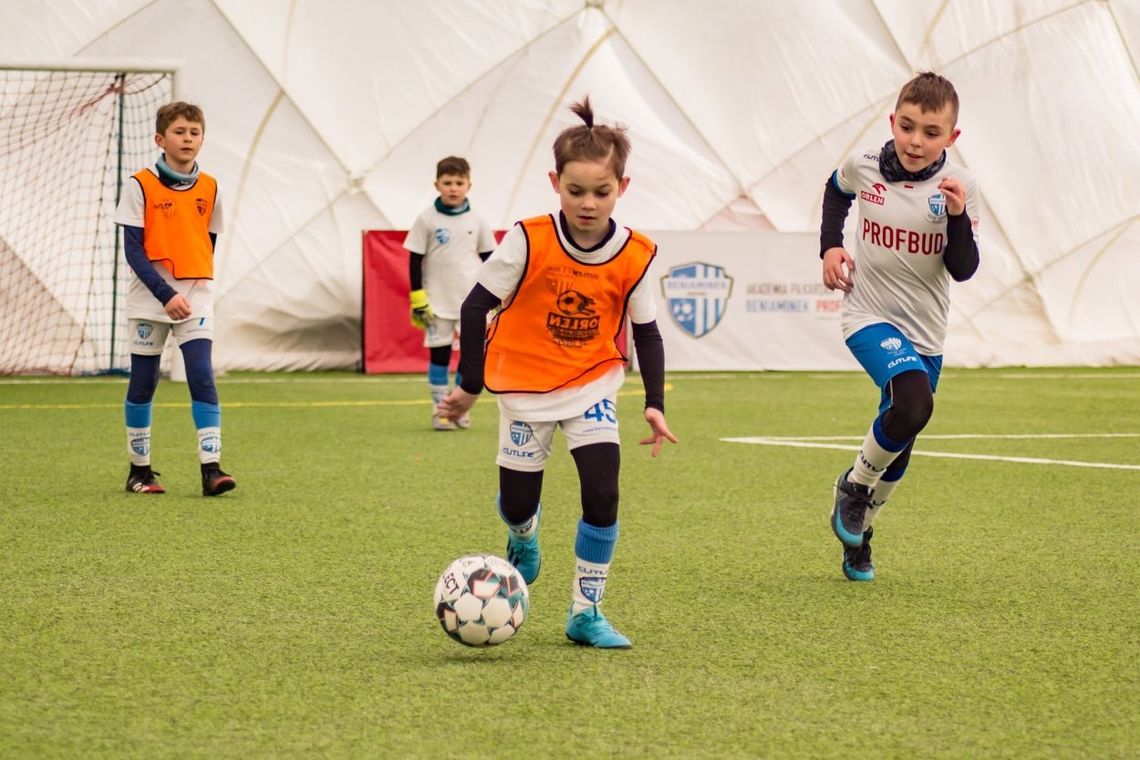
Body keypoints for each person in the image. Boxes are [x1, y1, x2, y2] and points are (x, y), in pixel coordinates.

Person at [438, 97, 677, 648]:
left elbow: (647, 332)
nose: (588, 203)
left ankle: (585, 611)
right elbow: (476, 308)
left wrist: (654, 401)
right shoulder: (529, 238)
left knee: (603, 491)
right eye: (575, 191)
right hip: (523, 387)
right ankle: (523, 533)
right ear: (554, 182)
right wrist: (470, 386)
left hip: (592, 382)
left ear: (623, 186)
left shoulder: (635, 254)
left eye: (602, 191)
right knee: (518, 502)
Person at [819, 72, 980, 580]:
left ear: (951, 139)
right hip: (867, 315)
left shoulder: (961, 187)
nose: (916, 140)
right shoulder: (865, 165)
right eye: (907, 126)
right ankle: (855, 487)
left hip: (926, 333)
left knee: (904, 437)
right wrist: (830, 244)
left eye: (931, 132)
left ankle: (860, 535)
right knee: (914, 403)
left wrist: (956, 217)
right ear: (892, 122)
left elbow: (963, 268)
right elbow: (835, 191)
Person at [114, 101, 236, 497]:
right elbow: (133, 250)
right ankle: (140, 472)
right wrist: (166, 293)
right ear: (159, 139)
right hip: (151, 298)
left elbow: (207, 240)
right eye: (180, 132)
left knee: (201, 374)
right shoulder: (139, 184)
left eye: (194, 132)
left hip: (195, 297)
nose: (188, 139)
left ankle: (211, 470)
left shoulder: (212, 187)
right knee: (144, 382)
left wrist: (190, 287)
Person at [404, 156, 497, 430]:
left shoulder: (477, 220)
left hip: (471, 305)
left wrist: (495, 295)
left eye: (459, 182)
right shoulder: (426, 219)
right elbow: (414, 260)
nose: (453, 188)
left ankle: (458, 409)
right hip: (436, 304)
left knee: (469, 361)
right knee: (440, 356)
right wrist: (418, 297)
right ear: (437, 185)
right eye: (447, 183)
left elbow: (491, 259)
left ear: (469, 185)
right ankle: (440, 410)